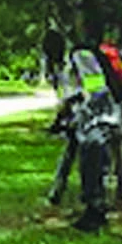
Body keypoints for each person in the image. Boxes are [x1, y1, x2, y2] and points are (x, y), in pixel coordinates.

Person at [61, 28, 122, 232]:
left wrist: (78, 106)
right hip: (94, 121)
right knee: (92, 168)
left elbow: (96, 90)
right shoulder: (80, 55)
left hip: (98, 121)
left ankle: (95, 215)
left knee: (93, 168)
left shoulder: (83, 55)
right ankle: (93, 212)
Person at [41, 29, 80, 206]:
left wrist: (67, 105)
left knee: (91, 157)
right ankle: (56, 192)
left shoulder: (73, 61)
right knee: (68, 154)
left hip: (87, 113)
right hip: (73, 115)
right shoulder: (55, 68)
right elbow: (62, 95)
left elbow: (80, 91)